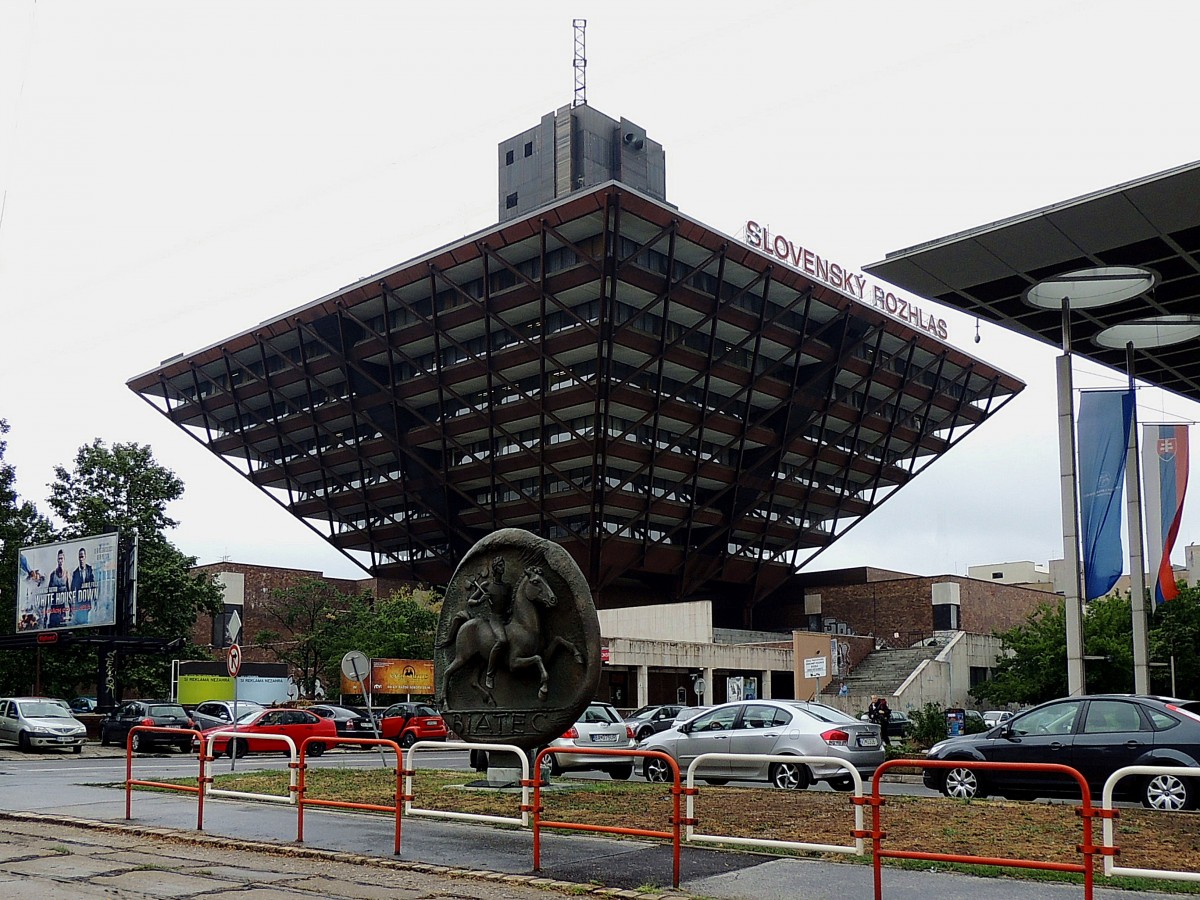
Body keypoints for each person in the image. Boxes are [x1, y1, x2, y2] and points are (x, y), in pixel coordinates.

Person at [440, 556, 513, 689]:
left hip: (507, 618)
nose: (503, 568)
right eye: (501, 566)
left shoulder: (507, 587)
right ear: (495, 568)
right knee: (502, 641)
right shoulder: (487, 585)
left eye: (504, 565)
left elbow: (509, 605)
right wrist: (481, 600)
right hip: (495, 619)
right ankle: (490, 675)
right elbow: (470, 601)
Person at [70, 546, 96, 625]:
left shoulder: (89, 569)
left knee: (87, 622)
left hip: (87, 602)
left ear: (85, 557)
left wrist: (95, 599)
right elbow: (72, 589)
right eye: (79, 557)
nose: (81, 559)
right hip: (78, 603)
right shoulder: (75, 573)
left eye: (82, 557)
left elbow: (93, 585)